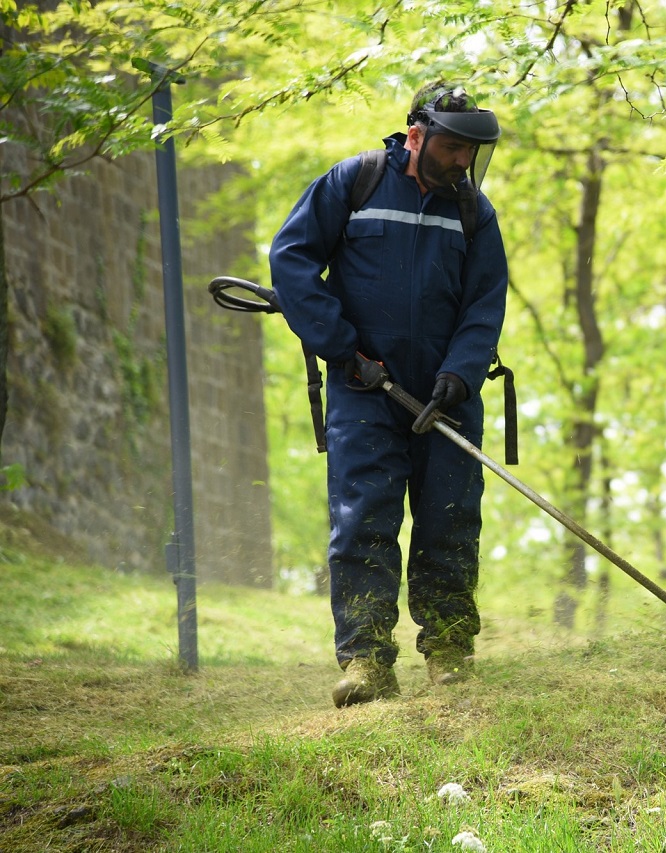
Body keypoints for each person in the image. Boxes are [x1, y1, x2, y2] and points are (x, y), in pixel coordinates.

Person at [269, 84, 508, 706]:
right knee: (363, 522)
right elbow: (292, 260)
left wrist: (459, 374)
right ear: (418, 134)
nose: (463, 161)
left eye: (472, 152)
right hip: (363, 389)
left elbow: (485, 305)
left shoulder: (475, 214)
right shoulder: (356, 182)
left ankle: (450, 653)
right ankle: (366, 662)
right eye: (454, 147)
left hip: (446, 397)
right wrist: (342, 348)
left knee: (450, 522)